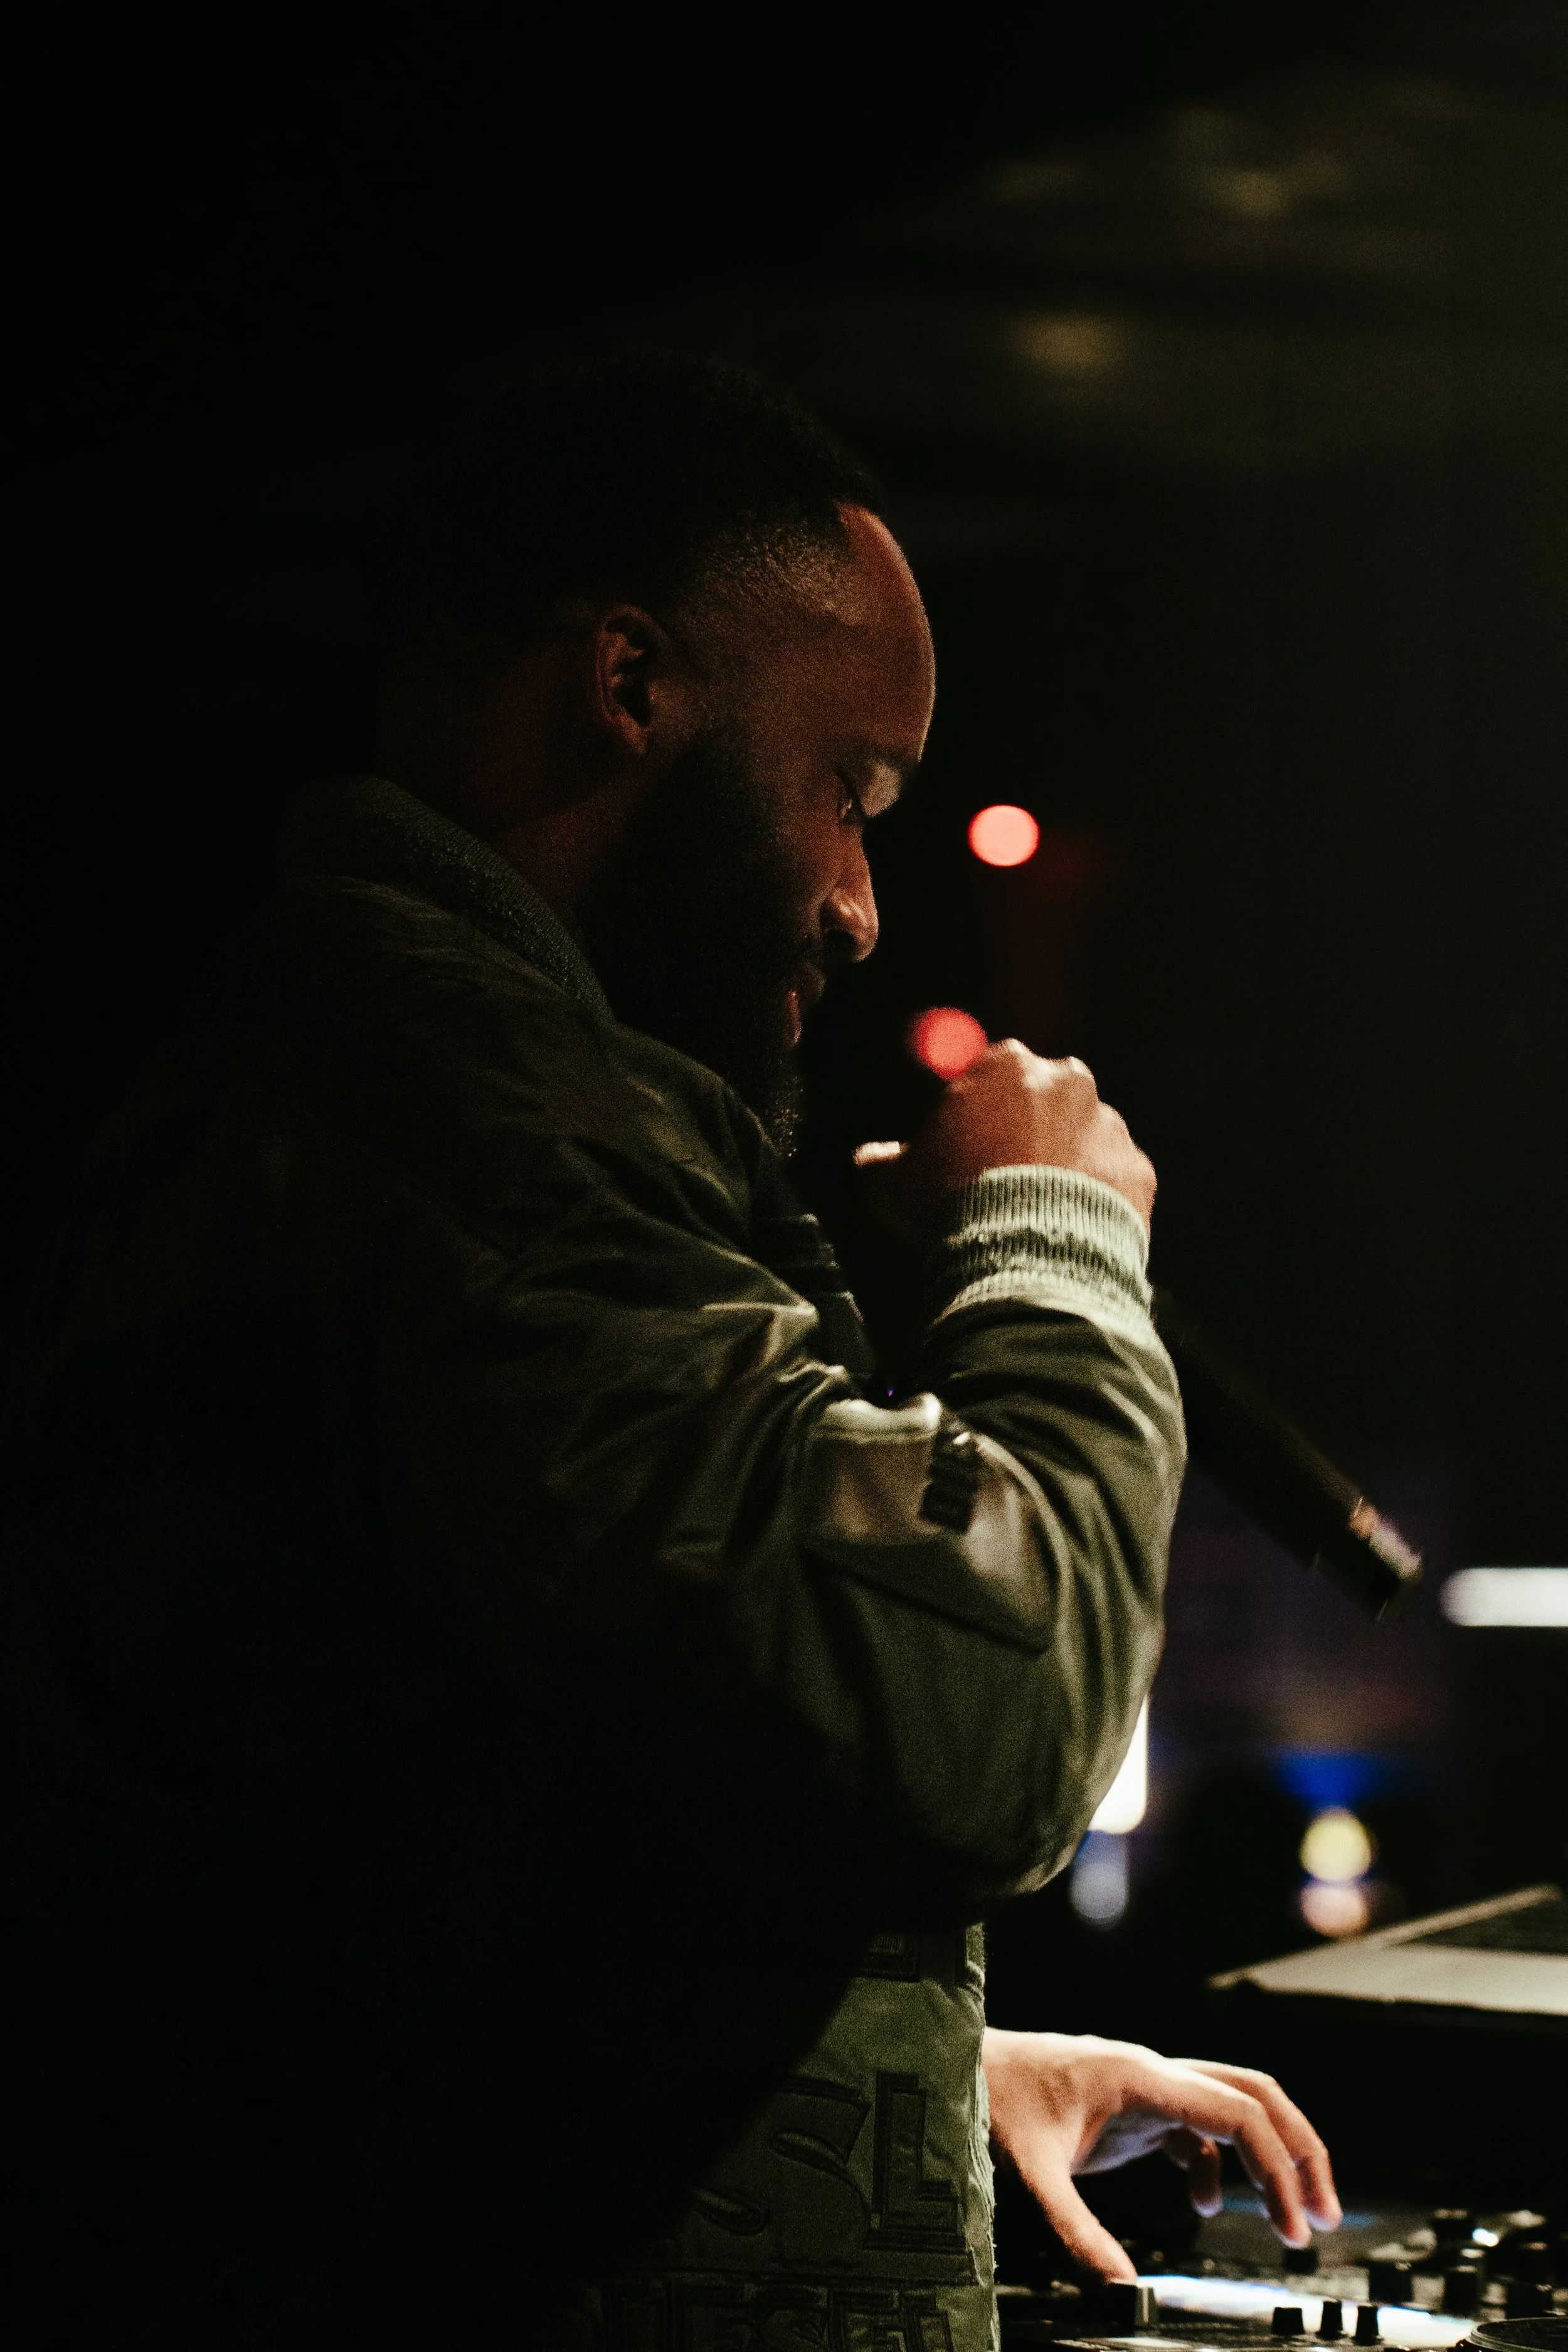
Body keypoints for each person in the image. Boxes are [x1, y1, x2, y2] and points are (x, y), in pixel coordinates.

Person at [10, 352, 1337, 2352]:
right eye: (849, 789)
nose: (859, 900)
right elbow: (961, 1734)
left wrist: (889, 2077)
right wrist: (1052, 1239)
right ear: (629, 685)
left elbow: (433, 1838)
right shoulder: (465, 1124)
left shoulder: (393, 1081)